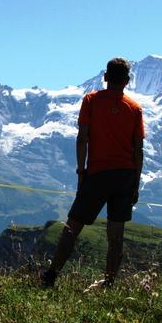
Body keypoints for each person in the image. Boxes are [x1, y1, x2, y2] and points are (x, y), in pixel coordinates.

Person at [41, 57, 144, 288]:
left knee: (72, 227)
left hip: (98, 174)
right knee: (116, 235)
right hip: (125, 176)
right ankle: (108, 283)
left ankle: (51, 275)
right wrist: (135, 184)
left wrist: (81, 172)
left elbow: (82, 138)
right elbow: (139, 151)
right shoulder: (135, 109)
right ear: (127, 81)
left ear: (105, 77)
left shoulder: (91, 101)